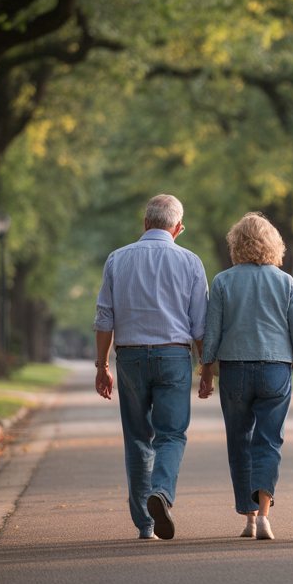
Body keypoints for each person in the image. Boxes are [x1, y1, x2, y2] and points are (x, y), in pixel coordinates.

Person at [93, 195, 211, 540]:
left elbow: (104, 318)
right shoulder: (190, 261)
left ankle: (145, 524)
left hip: (129, 358)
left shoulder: (117, 259)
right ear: (178, 228)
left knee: (137, 438)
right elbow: (200, 325)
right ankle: (161, 491)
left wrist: (102, 366)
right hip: (174, 356)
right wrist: (205, 369)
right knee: (171, 434)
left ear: (145, 224)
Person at [200, 212, 293, 540]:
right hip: (276, 369)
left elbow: (212, 332)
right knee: (269, 441)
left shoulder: (223, 281)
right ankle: (264, 514)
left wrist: (206, 369)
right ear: (272, 245)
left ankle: (248, 518)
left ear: (236, 244)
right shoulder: (285, 282)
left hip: (235, 369)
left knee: (239, 442)